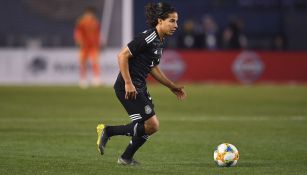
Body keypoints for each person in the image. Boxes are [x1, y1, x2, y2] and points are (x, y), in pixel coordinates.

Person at [96, 2, 186, 165]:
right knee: (152, 125)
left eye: (176, 21)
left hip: (139, 86)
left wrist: (171, 86)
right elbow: (122, 56)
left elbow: (152, 67)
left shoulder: (159, 40)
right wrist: (128, 84)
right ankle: (108, 131)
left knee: (147, 126)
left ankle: (126, 158)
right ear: (160, 21)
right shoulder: (148, 37)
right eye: (172, 21)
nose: (176, 25)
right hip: (128, 87)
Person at [74, 7, 101, 88]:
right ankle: (83, 79)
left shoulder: (95, 22)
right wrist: (79, 41)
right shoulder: (81, 22)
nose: (89, 15)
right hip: (84, 46)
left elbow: (97, 34)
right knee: (83, 62)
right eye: (88, 14)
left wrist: (99, 43)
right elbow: (77, 33)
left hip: (93, 46)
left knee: (95, 62)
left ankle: (96, 79)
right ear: (85, 14)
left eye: (91, 14)